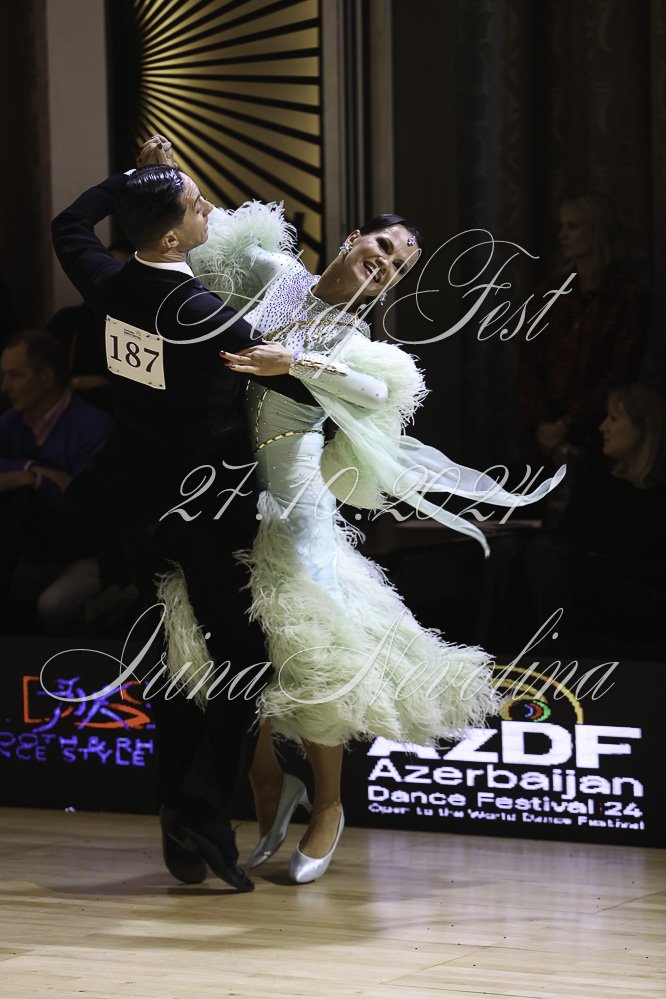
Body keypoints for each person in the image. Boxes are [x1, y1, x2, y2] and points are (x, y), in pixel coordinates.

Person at [159, 199, 566, 883]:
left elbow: (378, 391)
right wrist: (167, 168)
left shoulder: (356, 344)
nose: (386, 265)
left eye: (399, 267)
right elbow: (205, 232)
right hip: (229, 501)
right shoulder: (276, 274)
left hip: (295, 515)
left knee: (312, 654)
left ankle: (328, 804)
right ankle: (267, 780)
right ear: (353, 239)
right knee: (235, 653)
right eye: (383, 247)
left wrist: (294, 360)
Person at [51, 136, 318, 893]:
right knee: (243, 658)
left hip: (132, 504)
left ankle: (177, 810)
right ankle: (200, 810)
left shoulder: (108, 280)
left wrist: (137, 178)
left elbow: (69, 223)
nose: (209, 211)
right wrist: (309, 353)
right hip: (206, 507)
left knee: (168, 657)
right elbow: (286, 376)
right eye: (197, 206)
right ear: (171, 239)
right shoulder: (202, 312)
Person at [521, 382, 666, 654]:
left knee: (547, 550)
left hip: (647, 603)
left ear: (643, 426)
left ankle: (555, 658)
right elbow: (566, 545)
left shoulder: (658, 495)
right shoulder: (596, 485)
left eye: (614, 418)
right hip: (601, 596)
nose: (602, 427)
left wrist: (606, 564)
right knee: (521, 553)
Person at [519, 192, 649, 464]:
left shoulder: (627, 295)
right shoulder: (550, 291)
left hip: (601, 427)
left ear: (597, 230)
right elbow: (529, 361)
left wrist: (568, 423)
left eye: (573, 226)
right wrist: (543, 424)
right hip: (544, 428)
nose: (563, 234)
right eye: (562, 226)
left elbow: (622, 370)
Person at [0, 330, 111, 631]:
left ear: (46, 378)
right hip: (31, 553)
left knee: (53, 604)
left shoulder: (92, 426)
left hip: (85, 554)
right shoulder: (12, 422)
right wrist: (30, 470)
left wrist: (32, 481)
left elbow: (79, 503)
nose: (5, 386)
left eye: (15, 375)